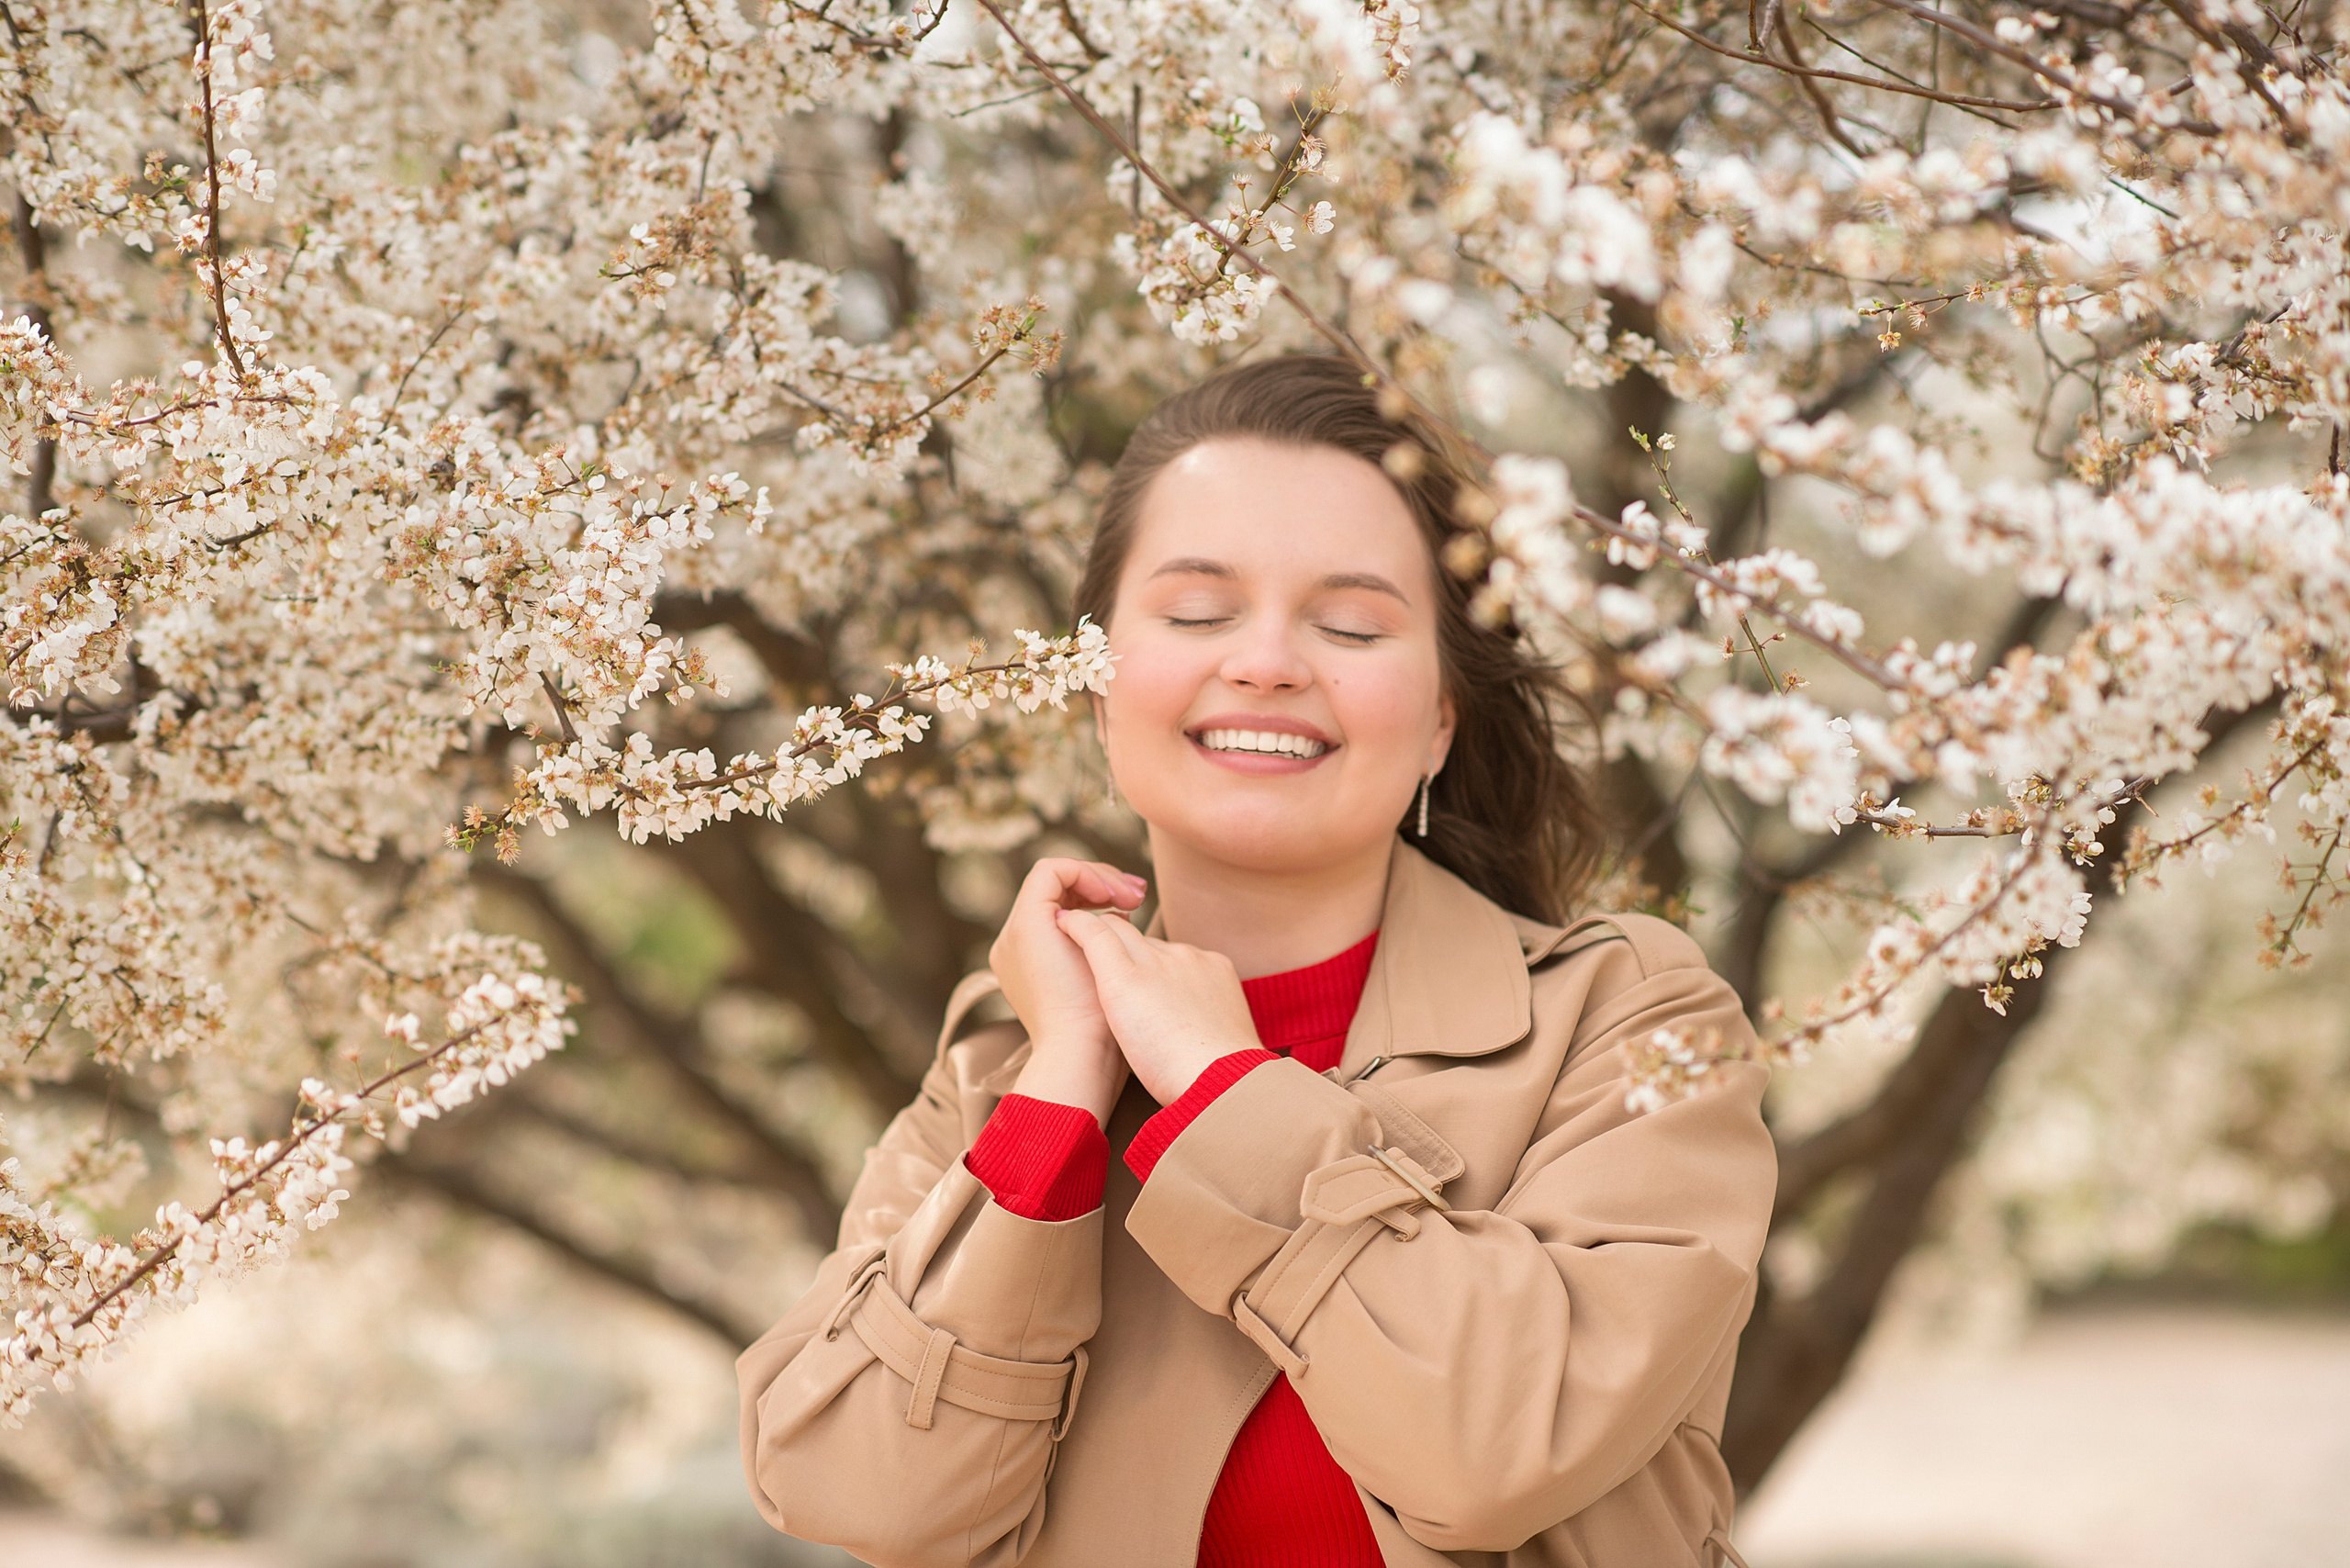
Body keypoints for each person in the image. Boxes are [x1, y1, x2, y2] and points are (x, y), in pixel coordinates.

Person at [736, 353, 1775, 1567]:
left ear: (1443, 714)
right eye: (1195, 613)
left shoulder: (1633, 1025)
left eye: (1349, 624)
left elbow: (1493, 1454)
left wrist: (1228, 1091)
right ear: (1096, 689)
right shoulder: (1001, 1071)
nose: (1269, 661)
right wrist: (1063, 1097)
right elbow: (864, 1499)